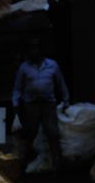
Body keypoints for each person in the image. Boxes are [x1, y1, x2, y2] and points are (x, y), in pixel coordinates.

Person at [12, 40, 70, 173]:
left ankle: (57, 166)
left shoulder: (52, 65)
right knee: (29, 134)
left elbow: (61, 84)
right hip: (31, 105)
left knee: (52, 134)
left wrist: (66, 101)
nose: (34, 52)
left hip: (48, 105)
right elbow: (17, 89)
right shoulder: (24, 68)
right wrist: (16, 106)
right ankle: (21, 166)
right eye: (31, 49)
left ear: (41, 51)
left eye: (36, 49)